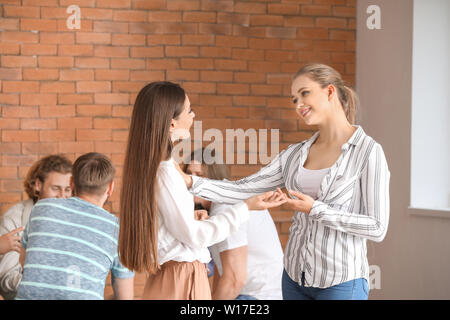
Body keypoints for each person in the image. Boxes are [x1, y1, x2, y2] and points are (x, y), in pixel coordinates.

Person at [179, 63, 390, 300]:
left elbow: (377, 227)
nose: (298, 105)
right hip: (293, 281)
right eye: (294, 100)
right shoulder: (295, 154)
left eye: (304, 93)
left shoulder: (367, 152)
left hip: (340, 281)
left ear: (330, 92)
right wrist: (188, 182)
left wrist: (315, 209)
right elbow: (243, 188)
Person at [118, 81, 286, 300]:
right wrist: (246, 207)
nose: (193, 116)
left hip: (172, 277)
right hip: (183, 277)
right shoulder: (166, 172)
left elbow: (174, 228)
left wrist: (192, 220)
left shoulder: (158, 170)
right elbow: (194, 237)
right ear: (171, 124)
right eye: (189, 110)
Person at [15, 152, 134, 300]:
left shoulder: (42, 207)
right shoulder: (117, 229)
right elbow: (125, 297)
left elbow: (23, 261)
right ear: (110, 188)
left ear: (71, 183)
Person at [184, 153, 284, 300]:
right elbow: (223, 269)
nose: (191, 183)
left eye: (199, 175)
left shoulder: (226, 206)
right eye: (188, 175)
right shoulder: (223, 201)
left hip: (257, 296)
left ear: (214, 178)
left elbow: (235, 280)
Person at [0, 154, 73, 300]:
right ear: (38, 185)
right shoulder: (14, 220)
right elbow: (7, 279)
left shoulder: (73, 221)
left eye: (67, 190)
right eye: (56, 188)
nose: (62, 196)